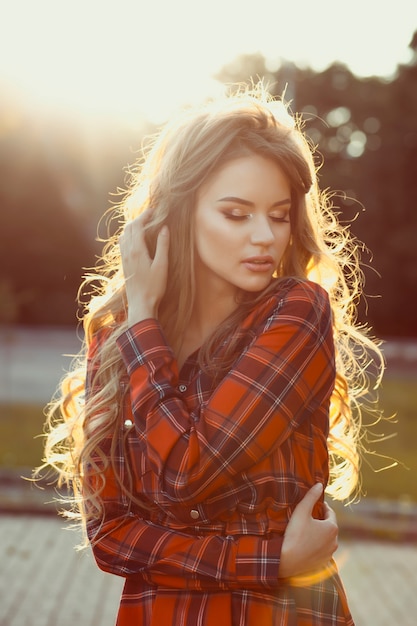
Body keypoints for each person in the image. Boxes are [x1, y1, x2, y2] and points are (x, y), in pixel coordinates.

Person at [40, 84, 383, 625]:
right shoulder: (117, 335)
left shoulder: (295, 312)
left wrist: (143, 330)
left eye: (279, 214)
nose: (265, 237)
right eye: (236, 213)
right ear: (181, 213)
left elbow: (187, 472)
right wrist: (272, 560)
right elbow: (110, 537)